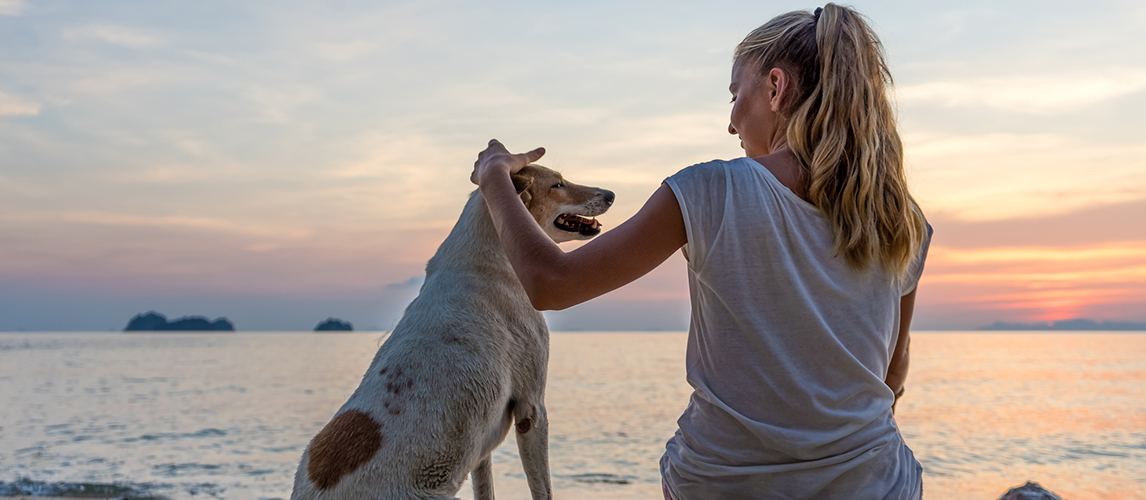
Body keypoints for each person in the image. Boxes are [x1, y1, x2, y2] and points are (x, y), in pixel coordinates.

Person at [469, 3, 931, 499]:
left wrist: (496, 176)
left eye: (736, 96)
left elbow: (550, 283)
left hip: (726, 485)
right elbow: (892, 370)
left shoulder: (713, 189)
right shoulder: (901, 219)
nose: (732, 124)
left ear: (776, 88)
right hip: (877, 484)